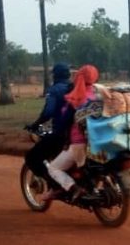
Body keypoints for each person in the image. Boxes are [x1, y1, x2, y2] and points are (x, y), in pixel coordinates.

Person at [43, 64, 100, 202]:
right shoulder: (99, 95)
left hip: (79, 143)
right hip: (98, 142)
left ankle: (73, 188)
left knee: (53, 169)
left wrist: (54, 131)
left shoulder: (75, 97)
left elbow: (63, 121)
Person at [23, 62, 73, 181]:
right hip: (76, 133)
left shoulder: (54, 90)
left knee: (31, 157)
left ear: (55, 76)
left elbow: (48, 112)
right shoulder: (75, 88)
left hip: (60, 134)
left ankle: (53, 182)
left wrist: (36, 124)